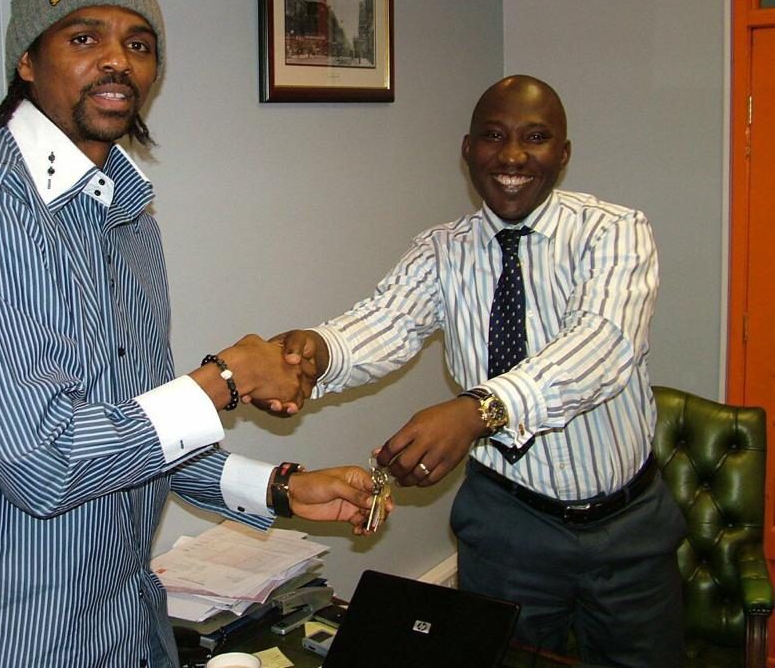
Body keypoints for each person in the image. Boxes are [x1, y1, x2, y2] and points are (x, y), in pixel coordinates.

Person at [0, 0, 378, 668]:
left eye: (139, 45)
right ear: (27, 60)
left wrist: (278, 488)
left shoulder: (126, 208)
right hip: (0, 629)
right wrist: (227, 379)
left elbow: (133, 430)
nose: (118, 61)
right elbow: (43, 460)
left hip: (119, 617)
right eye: (85, 37)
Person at [269, 75, 685, 667]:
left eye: (535, 138)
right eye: (493, 136)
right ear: (468, 150)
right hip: (506, 524)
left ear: (563, 153)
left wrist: (479, 410)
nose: (512, 156)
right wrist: (319, 351)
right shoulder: (442, 250)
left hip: (627, 527)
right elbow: (385, 322)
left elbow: (603, 345)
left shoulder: (614, 231)